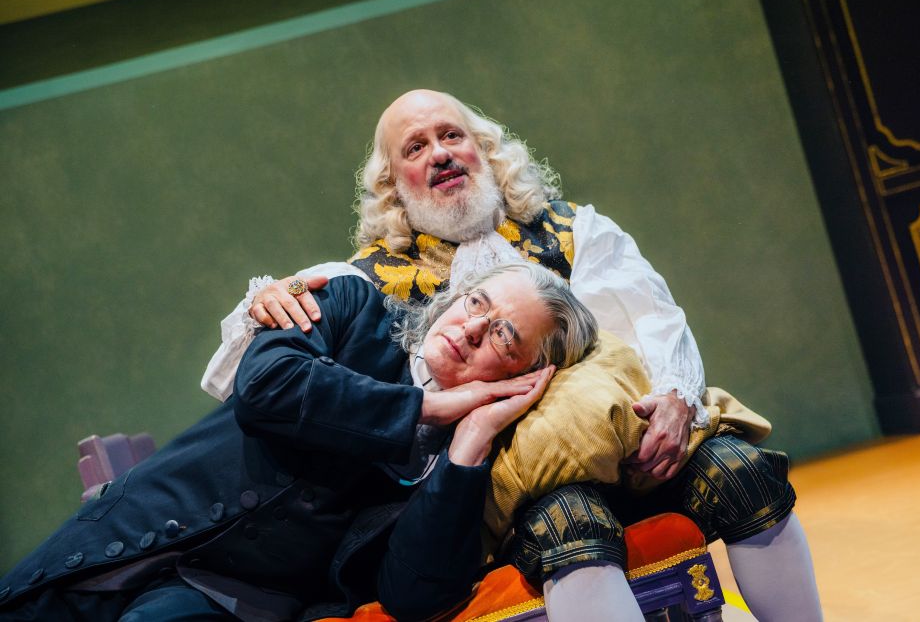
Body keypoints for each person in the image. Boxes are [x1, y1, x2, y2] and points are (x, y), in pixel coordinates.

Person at [203, 89, 823, 622]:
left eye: (452, 135)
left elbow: (654, 320)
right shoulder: (367, 279)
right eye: (415, 147)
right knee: (570, 521)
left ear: (486, 149)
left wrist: (676, 398)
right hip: (511, 493)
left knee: (742, 473)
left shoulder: (575, 231)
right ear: (392, 186)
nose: (440, 153)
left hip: (626, 448)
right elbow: (253, 369)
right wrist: (267, 301)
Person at [0, 262, 599, 621]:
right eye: (476, 303)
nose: (470, 329)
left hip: (232, 603)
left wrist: (468, 444)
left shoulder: (458, 464)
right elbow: (267, 385)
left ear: (524, 378)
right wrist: (423, 406)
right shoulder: (354, 303)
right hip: (135, 532)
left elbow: (413, 596)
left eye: (503, 337)